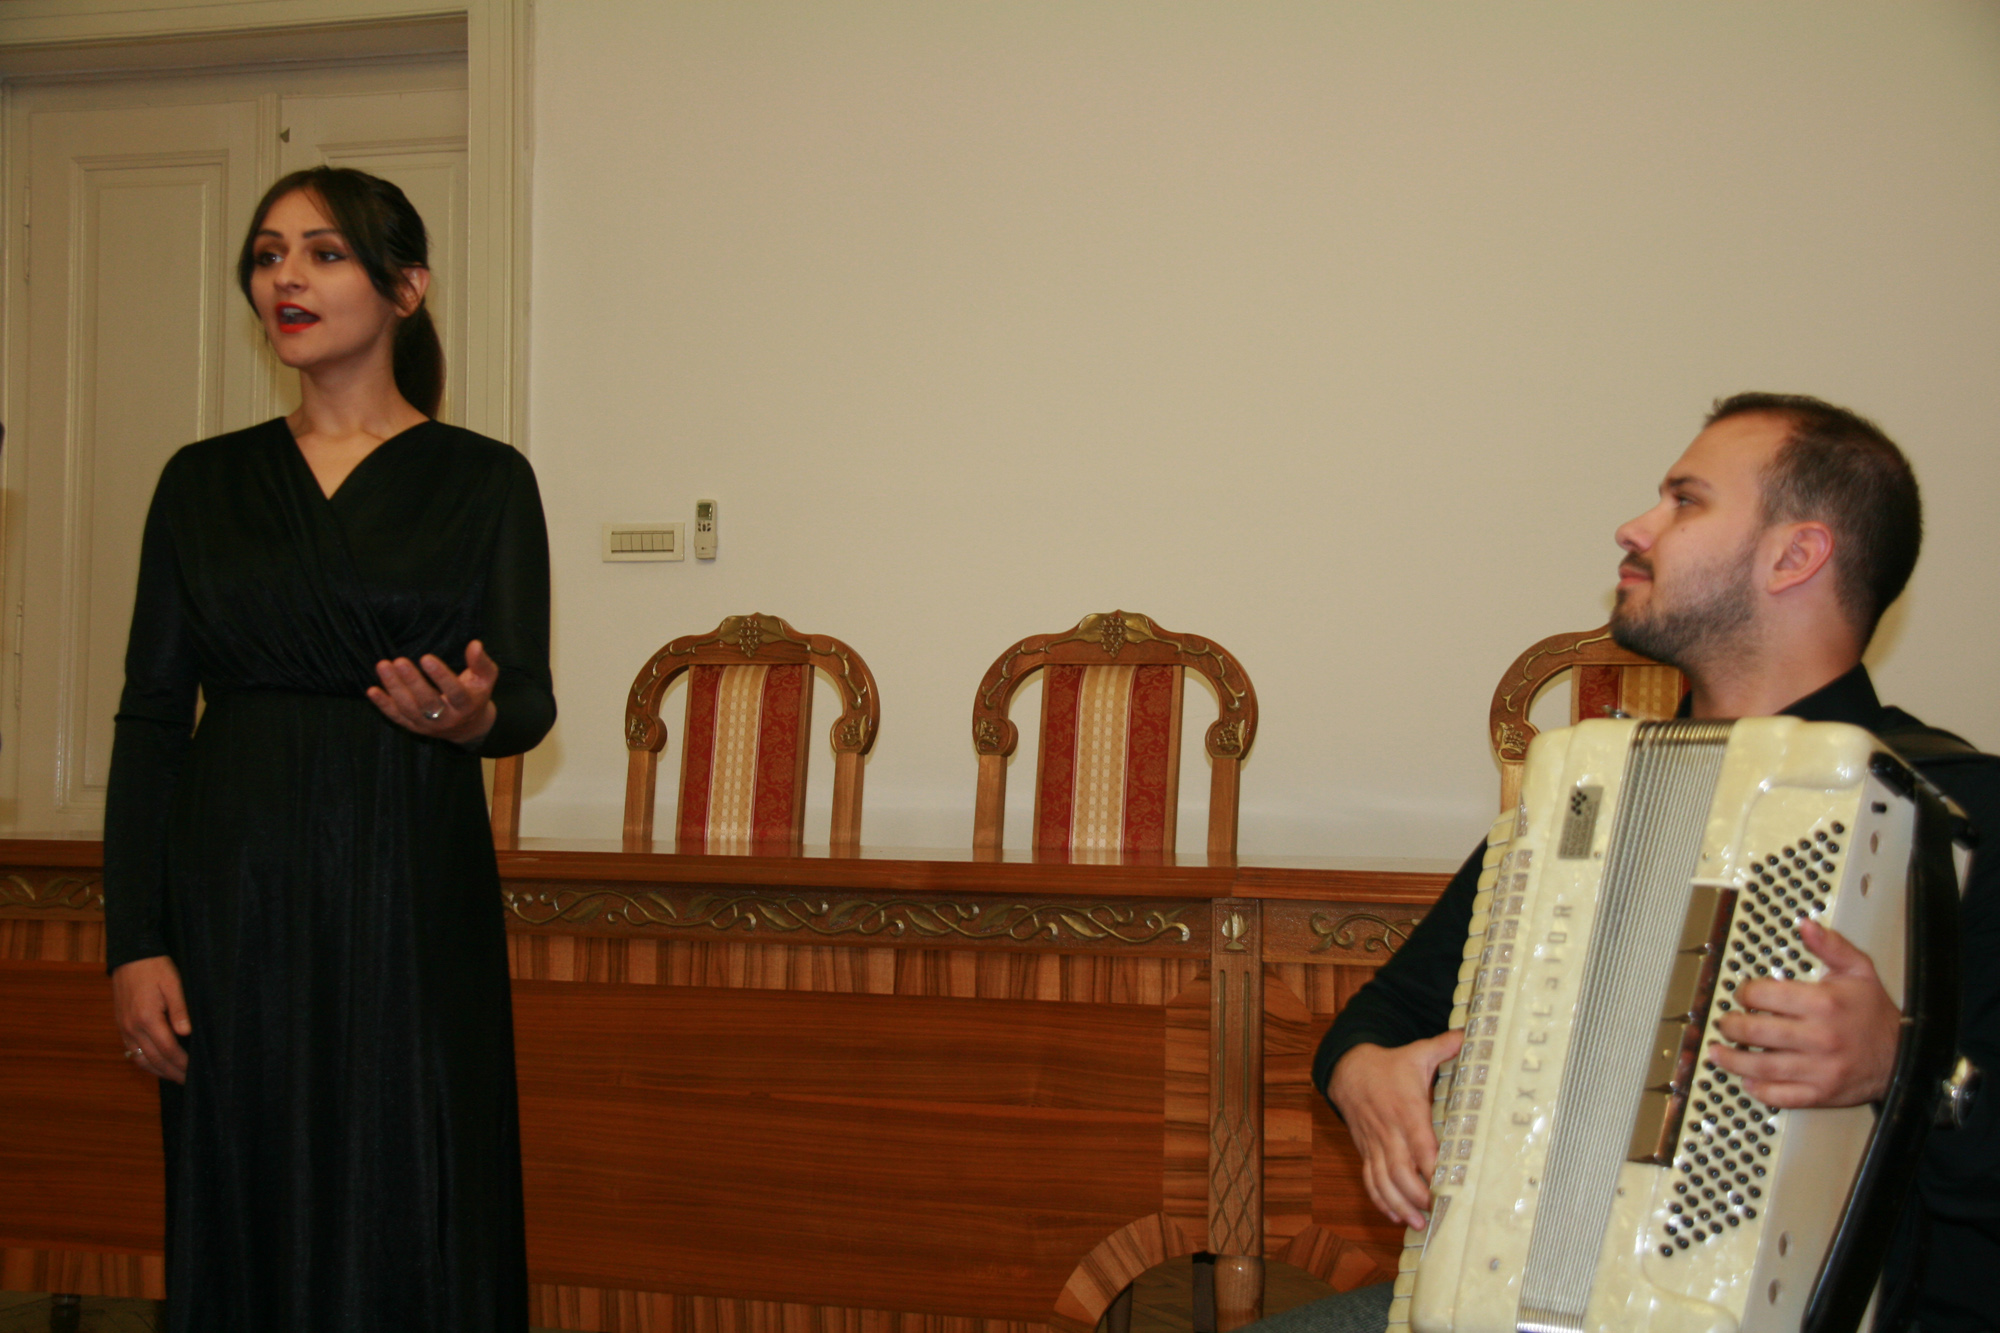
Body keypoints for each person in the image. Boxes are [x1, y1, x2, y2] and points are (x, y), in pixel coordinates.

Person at [1261, 395, 1998, 1333]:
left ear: (1796, 556)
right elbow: (1386, 1013)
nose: (1635, 527)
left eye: (1685, 501)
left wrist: (1908, 1065)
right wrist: (1362, 1074)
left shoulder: (1959, 814)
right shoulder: (1596, 791)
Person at [102, 166, 555, 1333]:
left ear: (406, 287)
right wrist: (134, 941)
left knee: (417, 1166)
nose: (285, 278)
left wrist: (469, 719)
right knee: (242, 1175)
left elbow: (527, 699)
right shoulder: (200, 481)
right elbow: (151, 720)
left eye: (322, 251)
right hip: (233, 888)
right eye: (267, 255)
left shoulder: (485, 479)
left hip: (409, 879)